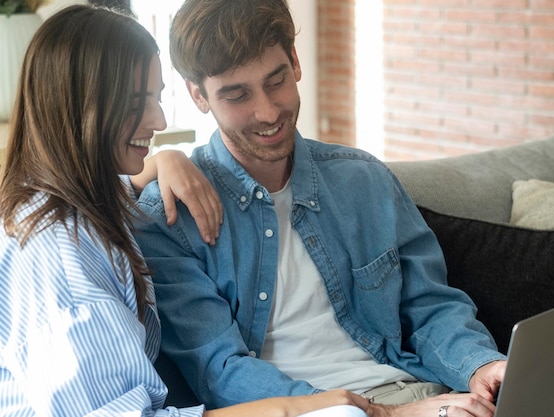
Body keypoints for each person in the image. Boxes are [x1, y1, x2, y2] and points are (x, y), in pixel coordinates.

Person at [134, 0, 507, 416]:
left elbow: (428, 306)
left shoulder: (362, 180)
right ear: (198, 95)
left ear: (295, 61)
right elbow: (219, 372)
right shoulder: (168, 218)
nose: (268, 112)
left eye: (275, 81)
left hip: (416, 393)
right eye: (237, 95)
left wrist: (481, 365)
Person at [0, 4, 370, 417]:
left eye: (157, 97)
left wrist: (165, 159)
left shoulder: (80, 201)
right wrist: (293, 407)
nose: (158, 120)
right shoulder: (61, 259)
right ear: (79, 107)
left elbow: (126, 187)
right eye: (137, 102)